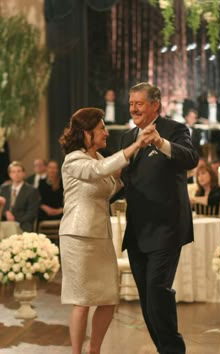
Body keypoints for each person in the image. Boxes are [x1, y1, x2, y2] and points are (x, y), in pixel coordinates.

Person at [58, 107, 154, 354]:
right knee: (82, 301)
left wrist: (123, 176)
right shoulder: (73, 159)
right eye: (101, 128)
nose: (106, 133)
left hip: (100, 235)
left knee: (109, 298)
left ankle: (95, 350)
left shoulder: (101, 159)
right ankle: (77, 352)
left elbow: (107, 188)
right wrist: (134, 147)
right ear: (86, 132)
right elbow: (97, 173)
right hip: (77, 236)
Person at [120, 82, 199, 354]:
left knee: (157, 293)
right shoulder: (127, 137)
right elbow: (122, 180)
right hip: (137, 230)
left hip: (166, 229)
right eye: (131, 104)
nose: (133, 109)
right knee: (146, 301)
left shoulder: (175, 130)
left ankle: (173, 350)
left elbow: (190, 158)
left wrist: (160, 143)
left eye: (139, 103)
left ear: (155, 104)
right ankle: (165, 350)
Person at [0, 161, 40, 231]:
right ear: (10, 174)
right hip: (4, 223)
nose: (16, 174)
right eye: (13, 172)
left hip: (23, 224)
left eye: (19, 171)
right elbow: (1, 206)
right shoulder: (4, 189)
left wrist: (16, 220)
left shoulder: (31, 190)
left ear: (23, 174)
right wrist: (5, 212)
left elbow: (32, 213)